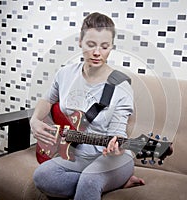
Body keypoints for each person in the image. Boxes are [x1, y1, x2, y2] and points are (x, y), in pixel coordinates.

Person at [30, 12, 144, 200]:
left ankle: (109, 179)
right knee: (42, 176)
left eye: (104, 47)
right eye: (91, 45)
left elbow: (118, 133)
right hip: (77, 154)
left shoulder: (121, 86)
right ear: (80, 42)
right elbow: (47, 100)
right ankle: (114, 184)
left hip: (112, 159)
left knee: (89, 181)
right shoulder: (66, 73)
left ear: (111, 48)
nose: (97, 52)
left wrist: (117, 147)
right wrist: (35, 120)